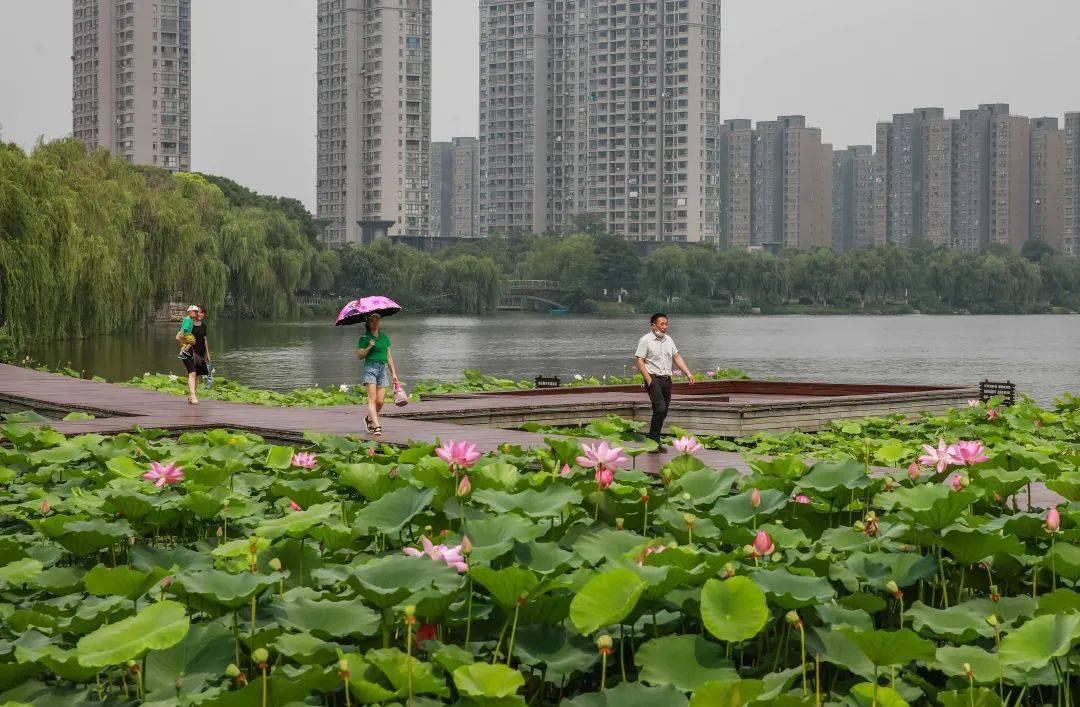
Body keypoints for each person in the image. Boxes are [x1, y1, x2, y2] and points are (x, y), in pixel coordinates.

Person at [634, 313, 695, 452]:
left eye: (666, 324)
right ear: (653, 325)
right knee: (660, 408)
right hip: (653, 378)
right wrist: (648, 379)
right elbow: (639, 360)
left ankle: (655, 442)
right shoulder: (645, 340)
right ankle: (652, 441)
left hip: (667, 379)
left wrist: (688, 373)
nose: (664, 327)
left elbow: (677, 357)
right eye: (661, 324)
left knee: (663, 411)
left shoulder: (669, 340)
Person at [356, 313, 399, 436]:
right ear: (368, 323)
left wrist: (394, 374)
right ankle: (377, 426)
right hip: (370, 368)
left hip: (382, 369)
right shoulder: (364, 338)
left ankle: (368, 419)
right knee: (373, 399)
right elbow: (359, 356)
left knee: (380, 401)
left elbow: (389, 357)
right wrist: (369, 347)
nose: (375, 323)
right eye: (372, 321)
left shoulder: (384, 338)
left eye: (377, 321)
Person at [180, 306, 211, 405]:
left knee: (197, 375)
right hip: (188, 351)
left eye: (203, 313)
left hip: (200, 352)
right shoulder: (189, 323)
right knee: (192, 372)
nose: (201, 314)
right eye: (200, 312)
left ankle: (191, 396)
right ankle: (193, 395)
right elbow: (181, 336)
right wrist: (184, 345)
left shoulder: (203, 325)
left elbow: (204, 339)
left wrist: (208, 353)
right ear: (195, 313)